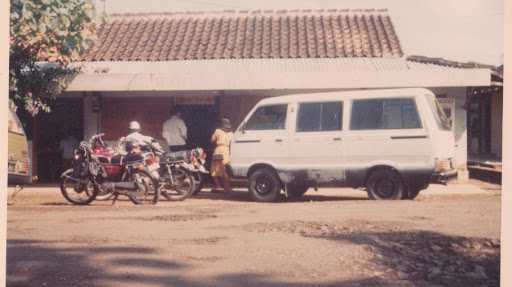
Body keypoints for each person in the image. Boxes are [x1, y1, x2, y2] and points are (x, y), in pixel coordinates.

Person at [210, 118, 233, 193]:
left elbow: (212, 140)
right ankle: (227, 187)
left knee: (214, 169)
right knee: (225, 169)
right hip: (226, 151)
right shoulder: (231, 133)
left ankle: (218, 186)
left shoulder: (217, 131)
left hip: (218, 150)